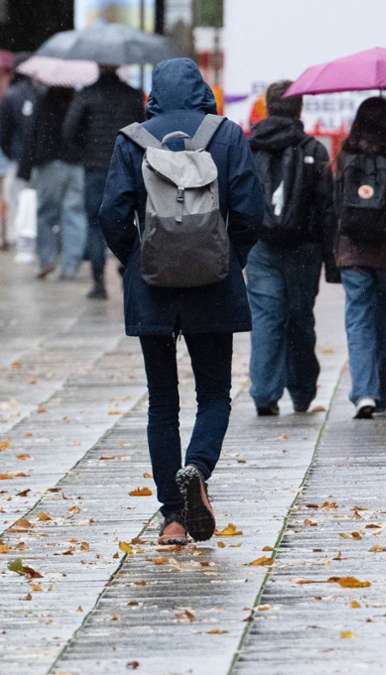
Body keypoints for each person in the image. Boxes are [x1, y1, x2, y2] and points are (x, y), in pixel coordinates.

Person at [100, 58, 263, 545]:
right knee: (214, 393)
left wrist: (138, 260)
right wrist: (227, 258)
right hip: (213, 283)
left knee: (162, 401)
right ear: (202, 91)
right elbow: (250, 211)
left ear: (154, 94)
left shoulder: (132, 140)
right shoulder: (226, 135)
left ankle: (173, 516)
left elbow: (111, 214)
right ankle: (197, 468)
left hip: (152, 288)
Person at [244, 80, 333, 416]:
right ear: (299, 109)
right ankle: (302, 391)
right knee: (299, 318)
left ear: (267, 107)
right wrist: (330, 257)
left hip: (261, 246)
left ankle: (264, 394)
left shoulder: (250, 147)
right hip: (303, 248)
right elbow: (326, 207)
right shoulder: (314, 150)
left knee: (266, 318)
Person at [329, 96, 386, 420]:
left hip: (353, 253)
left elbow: (335, 204)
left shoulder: (345, 156)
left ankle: (363, 392)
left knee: (359, 322)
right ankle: (382, 390)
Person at [64, 64, 145, 299]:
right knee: (132, 219)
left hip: (96, 168)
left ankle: (98, 282)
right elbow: (143, 129)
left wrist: (85, 152)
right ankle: (127, 267)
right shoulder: (132, 95)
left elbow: (69, 130)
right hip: (128, 167)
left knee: (94, 224)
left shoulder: (86, 95)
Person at [18, 85, 86, 280]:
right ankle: (71, 265)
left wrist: (25, 168)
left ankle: (47, 260)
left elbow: (31, 133)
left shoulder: (43, 100)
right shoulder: (79, 100)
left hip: (49, 163)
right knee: (74, 214)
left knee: (47, 214)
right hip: (76, 163)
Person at [0, 53, 37, 254]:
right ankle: (33, 237)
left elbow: (3, 132)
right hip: (38, 158)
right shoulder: (41, 93)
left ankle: (17, 238)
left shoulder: (10, 96)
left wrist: (11, 152)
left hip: (16, 157)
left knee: (15, 199)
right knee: (35, 199)